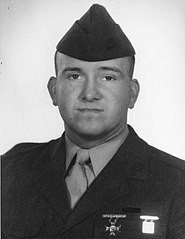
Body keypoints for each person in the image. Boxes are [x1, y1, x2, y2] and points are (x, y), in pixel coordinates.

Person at [2, 4, 185, 239]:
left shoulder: (177, 185)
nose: (90, 93)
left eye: (108, 77)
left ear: (132, 93)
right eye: (74, 76)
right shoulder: (11, 170)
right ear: (53, 90)